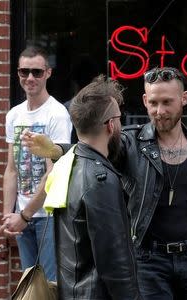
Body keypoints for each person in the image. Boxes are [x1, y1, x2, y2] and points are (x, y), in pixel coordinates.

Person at [20, 67, 187, 300]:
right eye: (153, 103)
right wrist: (57, 150)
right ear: (144, 101)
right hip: (149, 260)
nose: (159, 111)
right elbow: (92, 150)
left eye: (167, 102)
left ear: (184, 98)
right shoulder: (131, 142)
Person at [45, 75, 141, 299]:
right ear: (110, 125)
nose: (121, 124)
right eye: (119, 118)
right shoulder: (101, 181)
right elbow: (114, 260)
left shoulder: (68, 164)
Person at [0, 46, 72, 281]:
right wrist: (8, 217)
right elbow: (11, 170)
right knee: (30, 287)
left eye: (36, 72)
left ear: (48, 73)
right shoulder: (14, 115)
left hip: (47, 216)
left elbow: (54, 174)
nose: (29, 78)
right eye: (24, 71)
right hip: (23, 215)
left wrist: (25, 215)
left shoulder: (57, 114)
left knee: (49, 286)